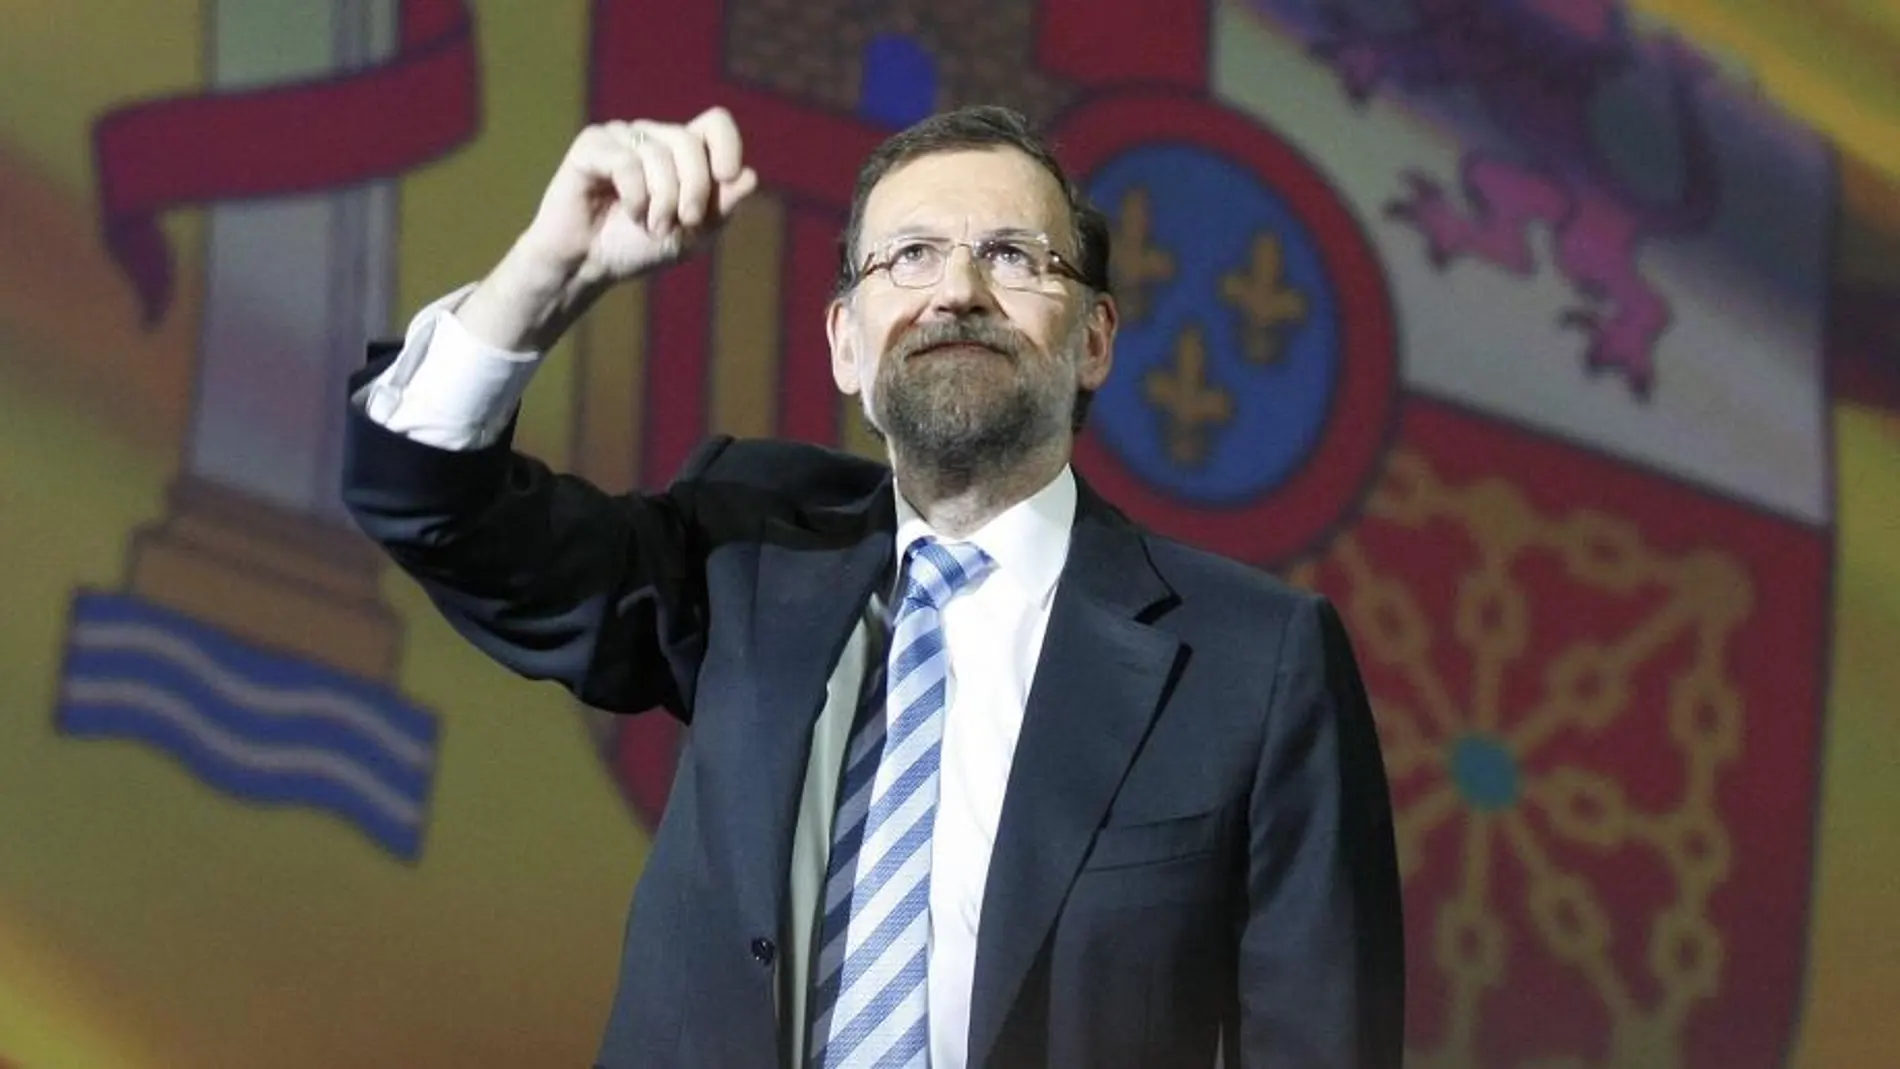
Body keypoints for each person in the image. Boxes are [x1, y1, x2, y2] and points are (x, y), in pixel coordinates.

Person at [341, 103, 1404, 1069]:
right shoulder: (743, 550)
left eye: (1010, 255)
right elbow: (439, 512)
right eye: (908, 255)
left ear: (1092, 341)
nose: (956, 288)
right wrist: (545, 269)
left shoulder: (1252, 658)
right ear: (844, 344)